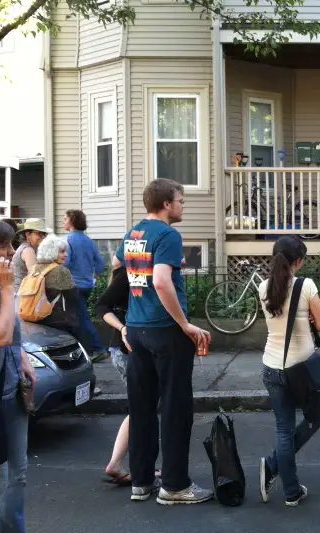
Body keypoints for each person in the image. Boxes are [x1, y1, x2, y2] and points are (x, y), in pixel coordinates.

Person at [113, 178, 212, 505]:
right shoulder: (168, 234)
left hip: (136, 330)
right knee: (175, 409)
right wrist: (184, 324)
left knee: (141, 409)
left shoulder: (132, 233)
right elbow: (160, 280)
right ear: (167, 204)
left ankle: (140, 483)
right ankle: (174, 486)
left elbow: (117, 264)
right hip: (165, 331)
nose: (183, 206)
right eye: (181, 201)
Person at [257, 236, 320, 507]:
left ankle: (291, 491)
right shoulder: (306, 285)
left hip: (271, 367)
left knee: (283, 430)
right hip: (303, 371)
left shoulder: (264, 287)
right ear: (297, 261)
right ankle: (273, 466)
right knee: (315, 419)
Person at [0, 220, 35, 533]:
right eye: (4, 247)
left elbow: (11, 331)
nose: (12, 253)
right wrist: (9, 287)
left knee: (18, 473)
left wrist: (22, 355)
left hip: (11, 390)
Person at [96, 265, 162, 487]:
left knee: (142, 408)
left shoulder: (142, 270)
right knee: (142, 409)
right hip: (127, 351)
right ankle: (125, 464)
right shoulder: (129, 272)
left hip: (129, 350)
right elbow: (102, 305)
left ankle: (131, 464)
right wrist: (123, 328)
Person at [63, 209, 107, 361]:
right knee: (79, 316)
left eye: (65, 219)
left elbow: (65, 263)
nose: (63, 221)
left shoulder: (67, 240)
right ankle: (84, 349)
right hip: (87, 285)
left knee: (80, 318)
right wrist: (92, 276)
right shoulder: (89, 241)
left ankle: (98, 348)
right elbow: (101, 264)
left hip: (73, 285)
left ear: (72, 221)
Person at [11, 218, 52, 295]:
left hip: (21, 292)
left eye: (44, 234)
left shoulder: (29, 248)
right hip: (21, 294)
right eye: (39, 233)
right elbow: (35, 275)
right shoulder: (28, 250)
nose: (42, 237)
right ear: (28, 234)